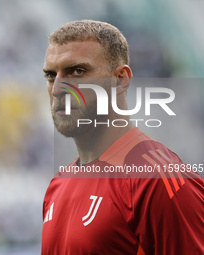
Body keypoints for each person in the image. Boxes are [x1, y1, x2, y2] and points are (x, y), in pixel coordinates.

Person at [41, 20, 204, 255]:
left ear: (120, 80)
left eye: (77, 71)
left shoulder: (156, 179)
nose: (57, 88)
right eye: (50, 75)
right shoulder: (57, 185)